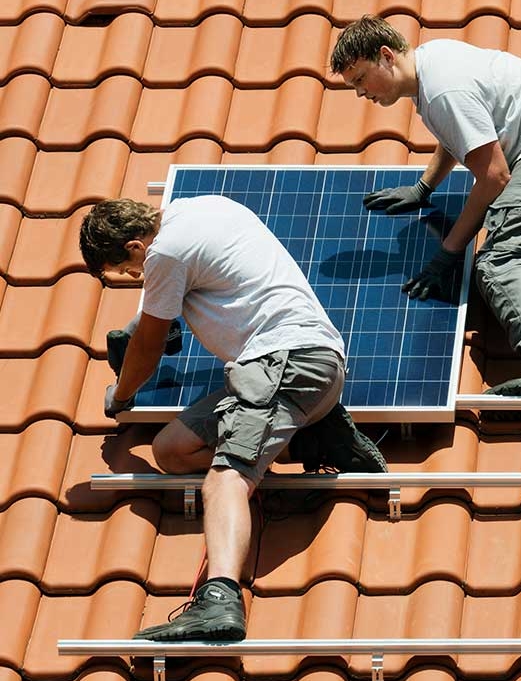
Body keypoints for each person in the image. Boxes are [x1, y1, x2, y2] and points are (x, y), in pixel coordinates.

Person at [79, 195, 387, 641]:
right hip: (295, 368)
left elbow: (149, 344)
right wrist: (144, 323)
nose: (136, 277)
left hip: (284, 364)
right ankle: (318, 440)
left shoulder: (164, 254)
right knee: (172, 450)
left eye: (129, 269)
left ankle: (221, 598)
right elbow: (198, 287)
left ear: (134, 246)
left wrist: (121, 393)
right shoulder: (203, 208)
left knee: (225, 479)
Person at [329, 15, 521, 397]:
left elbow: (494, 176)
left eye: (361, 79)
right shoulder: (434, 62)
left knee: (499, 263)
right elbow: (460, 133)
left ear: (386, 56)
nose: (361, 93)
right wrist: (424, 187)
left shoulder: (441, 89)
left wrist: (447, 253)